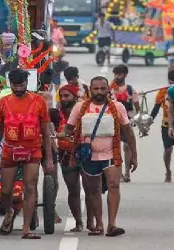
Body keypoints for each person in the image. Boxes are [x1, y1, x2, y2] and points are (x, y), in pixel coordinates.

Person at [64, 76, 137, 237]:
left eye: (102, 88)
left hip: (112, 154)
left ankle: (112, 225)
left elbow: (128, 133)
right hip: (89, 156)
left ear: (107, 90)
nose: (99, 92)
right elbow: (68, 129)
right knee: (94, 190)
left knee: (114, 186)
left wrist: (134, 155)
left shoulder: (118, 107)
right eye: (95, 89)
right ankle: (99, 224)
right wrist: (71, 138)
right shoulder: (79, 107)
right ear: (90, 90)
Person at [0, 69, 54, 239]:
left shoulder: (39, 101)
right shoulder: (3, 102)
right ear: (10, 84)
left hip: (33, 151)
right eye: (15, 85)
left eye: (21, 85)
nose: (18, 88)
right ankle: (9, 211)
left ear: (27, 83)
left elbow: (46, 133)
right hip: (10, 150)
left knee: (30, 187)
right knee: (6, 190)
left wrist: (49, 159)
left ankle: (26, 229)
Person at [53, 84, 83, 232]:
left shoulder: (84, 112)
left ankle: (92, 221)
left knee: (92, 190)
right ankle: (79, 222)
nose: (64, 99)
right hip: (65, 155)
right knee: (73, 189)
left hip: (84, 154)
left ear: (75, 97)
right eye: (62, 96)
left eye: (67, 96)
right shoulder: (55, 115)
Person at [110, 65, 139, 182]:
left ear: (125, 75)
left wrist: (136, 118)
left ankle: (127, 173)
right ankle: (119, 173)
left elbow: (137, 107)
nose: (117, 77)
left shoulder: (131, 90)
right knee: (114, 147)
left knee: (127, 146)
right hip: (113, 121)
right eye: (115, 74)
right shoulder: (109, 90)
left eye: (119, 74)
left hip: (127, 120)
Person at [150, 70, 174, 183]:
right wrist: (149, 122)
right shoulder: (163, 92)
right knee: (168, 150)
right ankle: (168, 171)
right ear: (168, 81)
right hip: (166, 125)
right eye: (172, 81)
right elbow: (156, 108)